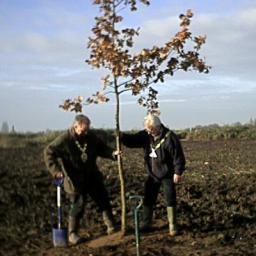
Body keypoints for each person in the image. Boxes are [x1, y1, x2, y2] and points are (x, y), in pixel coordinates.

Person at [44, 114, 118, 245]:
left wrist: (112, 153)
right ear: (75, 126)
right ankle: (72, 234)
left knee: (103, 199)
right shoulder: (65, 139)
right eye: (83, 130)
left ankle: (112, 226)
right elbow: (48, 152)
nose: (86, 132)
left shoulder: (91, 137)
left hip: (92, 175)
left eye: (87, 129)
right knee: (78, 205)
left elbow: (102, 148)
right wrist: (56, 171)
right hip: (74, 179)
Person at [121, 113, 186, 236]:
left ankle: (173, 225)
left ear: (158, 127)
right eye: (147, 129)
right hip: (152, 174)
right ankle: (146, 223)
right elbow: (133, 141)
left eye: (151, 130)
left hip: (167, 174)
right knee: (148, 197)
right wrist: (122, 137)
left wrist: (178, 172)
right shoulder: (146, 135)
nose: (149, 132)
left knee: (170, 197)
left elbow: (178, 156)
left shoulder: (170, 137)